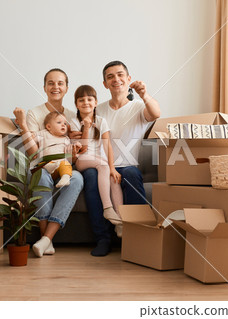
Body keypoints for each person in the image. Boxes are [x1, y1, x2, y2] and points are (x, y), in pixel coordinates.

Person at [81, 61, 161, 256]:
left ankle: (137, 236)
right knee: (91, 176)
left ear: (128, 79)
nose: (115, 79)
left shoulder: (138, 107)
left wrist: (144, 94)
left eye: (120, 75)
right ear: (104, 84)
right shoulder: (97, 110)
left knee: (131, 174)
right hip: (101, 165)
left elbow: (156, 113)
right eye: (110, 77)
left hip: (126, 166)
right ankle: (103, 239)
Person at [13, 68, 83, 258]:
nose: (55, 87)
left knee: (76, 178)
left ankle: (45, 240)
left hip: (63, 167)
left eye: (60, 83)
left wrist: (74, 154)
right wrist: (23, 127)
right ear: (44, 87)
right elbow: (34, 153)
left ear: (67, 88)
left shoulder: (72, 115)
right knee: (40, 173)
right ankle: (47, 240)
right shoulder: (35, 114)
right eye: (51, 83)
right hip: (42, 166)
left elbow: (72, 156)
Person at [70, 85, 123, 232]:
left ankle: (119, 223)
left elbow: (108, 147)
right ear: (76, 104)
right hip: (82, 160)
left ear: (95, 102)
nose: (86, 102)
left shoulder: (101, 121)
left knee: (113, 177)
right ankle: (107, 208)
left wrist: (113, 168)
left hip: (99, 160)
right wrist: (86, 127)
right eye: (81, 100)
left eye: (89, 99)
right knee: (104, 166)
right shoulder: (74, 122)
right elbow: (82, 149)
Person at [15, 110, 79, 188]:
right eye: (59, 122)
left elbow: (69, 154)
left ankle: (65, 178)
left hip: (60, 165)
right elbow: (30, 138)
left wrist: (75, 147)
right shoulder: (43, 134)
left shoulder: (66, 139)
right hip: (46, 163)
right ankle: (50, 167)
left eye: (65, 123)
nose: (63, 125)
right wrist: (23, 125)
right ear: (48, 126)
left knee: (66, 164)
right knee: (39, 164)